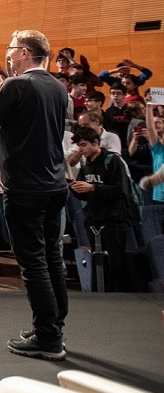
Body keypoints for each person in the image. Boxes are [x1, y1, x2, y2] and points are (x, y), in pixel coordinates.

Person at [0, 29, 71, 360]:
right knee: (52, 256)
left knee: (33, 262)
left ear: (26, 52)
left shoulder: (18, 85)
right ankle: (54, 325)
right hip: (54, 184)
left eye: (11, 49)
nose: (8, 54)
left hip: (26, 186)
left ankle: (48, 338)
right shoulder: (58, 86)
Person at [69, 125, 140, 292]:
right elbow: (84, 193)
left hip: (114, 221)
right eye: (79, 145)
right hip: (94, 221)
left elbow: (120, 190)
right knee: (99, 263)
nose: (81, 149)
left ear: (96, 142)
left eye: (84, 145)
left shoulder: (113, 161)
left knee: (116, 263)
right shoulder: (86, 164)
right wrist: (76, 188)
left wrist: (93, 188)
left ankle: (121, 296)